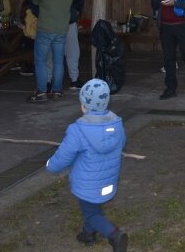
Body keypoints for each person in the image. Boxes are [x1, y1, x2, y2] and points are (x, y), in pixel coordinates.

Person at [46, 79, 128, 251]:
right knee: (92, 205)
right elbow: (122, 143)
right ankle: (88, 234)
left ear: (83, 106)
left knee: (91, 211)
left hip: (87, 183)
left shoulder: (78, 130)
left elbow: (63, 156)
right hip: (108, 181)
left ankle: (114, 235)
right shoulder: (117, 124)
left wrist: (51, 166)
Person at [29, 0, 74, 102]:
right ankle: (57, 91)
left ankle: (42, 92)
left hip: (45, 28)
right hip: (61, 29)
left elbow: (34, 1)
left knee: (41, 60)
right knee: (59, 61)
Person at [42, 0, 85, 91]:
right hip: (52, 23)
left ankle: (74, 79)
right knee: (50, 53)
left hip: (66, 22)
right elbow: (35, 4)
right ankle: (48, 81)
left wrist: (74, 14)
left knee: (71, 51)